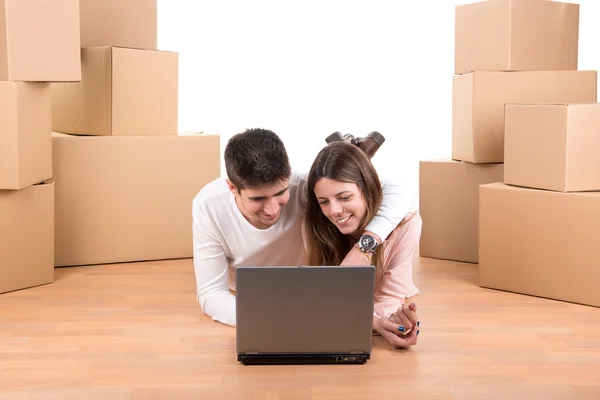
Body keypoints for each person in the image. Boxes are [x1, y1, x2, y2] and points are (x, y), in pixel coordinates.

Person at [192, 128, 416, 327]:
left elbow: (399, 188)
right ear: (232, 188)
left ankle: (353, 150)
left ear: (288, 176)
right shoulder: (208, 206)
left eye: (280, 193)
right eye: (258, 198)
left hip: (307, 293)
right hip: (253, 299)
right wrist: (276, 318)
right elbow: (211, 293)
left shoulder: (304, 188)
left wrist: (363, 248)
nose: (272, 210)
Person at [302, 140, 422, 349]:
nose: (334, 211)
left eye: (344, 197)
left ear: (367, 189)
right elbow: (325, 299)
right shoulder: (316, 226)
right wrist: (375, 323)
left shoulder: (406, 225)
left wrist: (393, 323)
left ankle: (355, 146)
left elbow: (389, 296)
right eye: (324, 202)